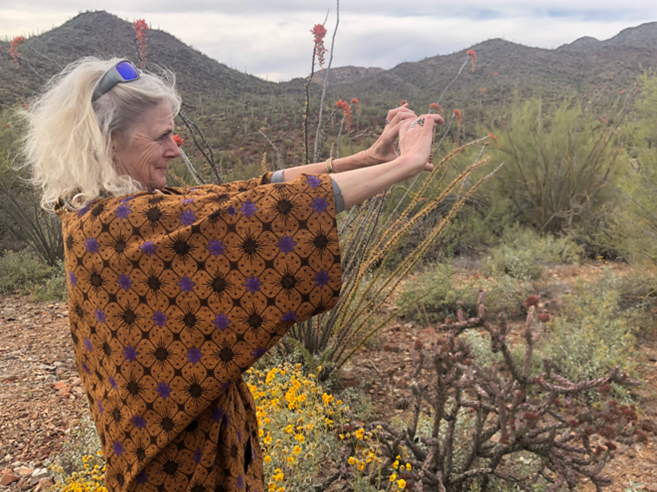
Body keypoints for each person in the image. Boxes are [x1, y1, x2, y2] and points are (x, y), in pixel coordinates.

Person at [22, 57, 442, 492]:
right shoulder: (121, 223)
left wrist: (364, 159)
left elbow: (243, 192)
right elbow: (266, 212)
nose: (175, 148)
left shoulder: (96, 209)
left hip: (168, 437)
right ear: (110, 142)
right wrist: (404, 165)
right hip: (176, 461)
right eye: (162, 136)